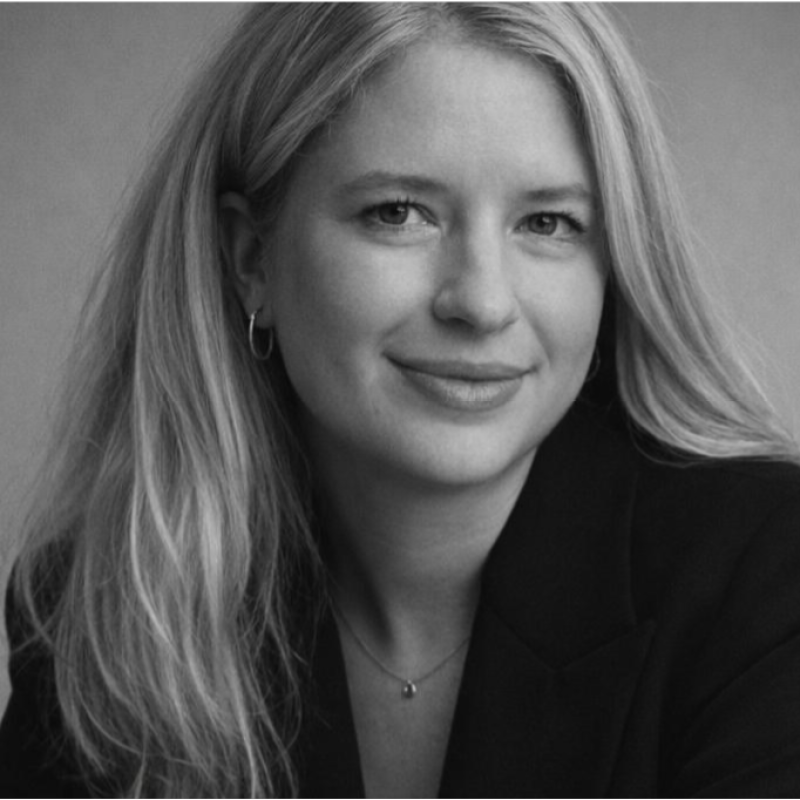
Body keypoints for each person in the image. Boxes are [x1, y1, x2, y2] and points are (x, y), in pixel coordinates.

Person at [2, 1, 800, 797]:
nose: (482, 303)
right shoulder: (101, 611)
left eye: (550, 222)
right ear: (251, 260)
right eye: (399, 213)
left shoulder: (764, 577)